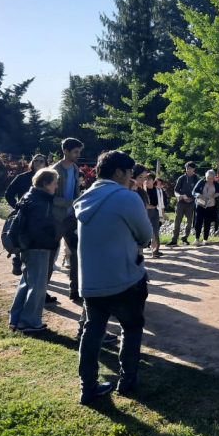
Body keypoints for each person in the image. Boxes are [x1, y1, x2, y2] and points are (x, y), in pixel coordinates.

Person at [75, 150, 153, 405]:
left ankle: (88, 387)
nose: (132, 178)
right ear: (119, 171)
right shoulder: (127, 198)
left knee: (92, 332)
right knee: (131, 328)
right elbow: (145, 236)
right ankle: (127, 379)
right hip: (124, 277)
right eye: (130, 173)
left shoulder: (85, 197)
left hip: (91, 280)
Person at [8, 168, 59, 333]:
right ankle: (29, 322)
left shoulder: (29, 196)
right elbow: (38, 229)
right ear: (45, 184)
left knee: (26, 283)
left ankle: (15, 320)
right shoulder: (41, 201)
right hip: (37, 248)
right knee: (37, 287)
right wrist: (51, 243)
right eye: (54, 183)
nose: (56, 187)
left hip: (26, 247)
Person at [50, 137, 84, 301]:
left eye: (79, 152)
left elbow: (76, 192)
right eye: (76, 152)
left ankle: (75, 291)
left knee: (77, 253)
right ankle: (42, 293)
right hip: (55, 219)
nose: (78, 155)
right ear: (65, 151)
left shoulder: (76, 169)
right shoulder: (53, 171)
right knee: (49, 255)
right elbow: (49, 198)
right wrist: (70, 202)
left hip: (72, 218)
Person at [4, 154, 48, 276]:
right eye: (35, 161)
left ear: (46, 164)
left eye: (41, 161)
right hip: (23, 213)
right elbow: (8, 193)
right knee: (20, 238)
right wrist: (16, 207)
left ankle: (32, 268)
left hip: (41, 215)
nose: (38, 163)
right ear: (32, 163)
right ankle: (17, 261)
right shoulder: (22, 178)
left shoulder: (48, 179)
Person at [134, 166, 162, 258]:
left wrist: (162, 213)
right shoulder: (128, 190)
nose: (144, 181)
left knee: (154, 231)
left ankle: (155, 250)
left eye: (145, 178)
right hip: (137, 219)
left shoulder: (143, 192)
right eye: (140, 177)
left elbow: (162, 202)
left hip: (152, 212)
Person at [167, 161, 198, 246]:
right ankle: (174, 239)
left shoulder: (196, 179)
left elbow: (199, 191)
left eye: (190, 168)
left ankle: (185, 238)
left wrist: (192, 198)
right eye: (187, 168)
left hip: (191, 203)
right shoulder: (182, 178)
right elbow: (176, 190)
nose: (188, 170)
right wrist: (179, 196)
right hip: (181, 202)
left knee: (189, 222)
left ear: (193, 169)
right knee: (177, 221)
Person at [193, 169, 219, 245]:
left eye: (211, 178)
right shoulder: (201, 182)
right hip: (201, 204)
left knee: (207, 222)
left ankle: (205, 239)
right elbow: (194, 192)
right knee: (198, 222)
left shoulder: (216, 184)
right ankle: (197, 239)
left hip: (211, 205)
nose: (209, 180)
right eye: (207, 178)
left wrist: (217, 194)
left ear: (213, 178)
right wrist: (198, 195)